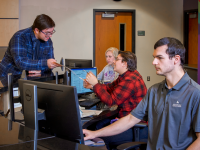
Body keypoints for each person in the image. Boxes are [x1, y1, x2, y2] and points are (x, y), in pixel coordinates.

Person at [83, 37, 200, 150]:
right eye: (154, 57)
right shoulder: (154, 91)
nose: (154, 62)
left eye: (159, 58)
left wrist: (96, 85)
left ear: (176, 59)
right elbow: (130, 119)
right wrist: (94, 134)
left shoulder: (195, 93)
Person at [84, 51, 147, 149]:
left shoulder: (130, 80)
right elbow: (109, 88)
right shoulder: (125, 76)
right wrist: (92, 86)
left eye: (117, 59)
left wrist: (96, 84)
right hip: (125, 117)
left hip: (133, 124)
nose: (114, 61)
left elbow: (111, 101)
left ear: (124, 63)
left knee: (100, 135)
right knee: (95, 125)